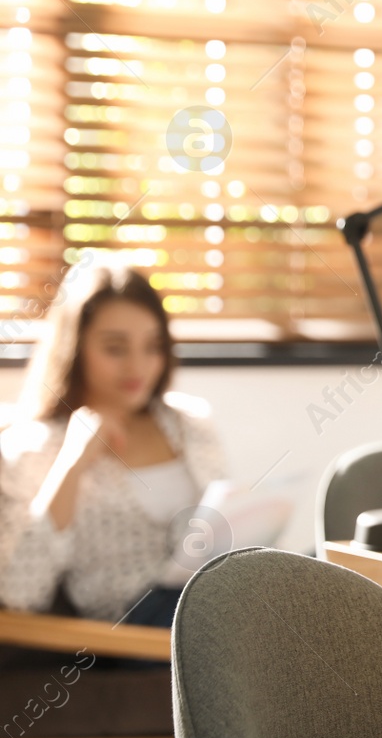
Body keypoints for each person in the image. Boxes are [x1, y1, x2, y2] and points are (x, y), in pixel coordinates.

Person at [0, 262, 227, 631]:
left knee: (326, 572)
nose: (137, 366)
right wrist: (73, 463)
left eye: (152, 347)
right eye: (115, 348)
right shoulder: (33, 446)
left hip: (214, 593)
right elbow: (20, 593)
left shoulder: (189, 423)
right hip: (140, 621)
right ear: (73, 348)